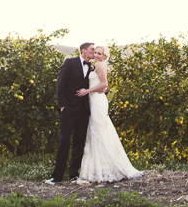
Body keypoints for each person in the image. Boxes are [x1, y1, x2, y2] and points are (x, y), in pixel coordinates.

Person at [76, 45, 143, 182]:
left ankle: (105, 169)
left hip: (97, 102)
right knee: (96, 131)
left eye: (99, 53)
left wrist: (86, 91)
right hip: (94, 101)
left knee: (98, 132)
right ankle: (98, 168)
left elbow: (104, 83)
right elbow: (104, 85)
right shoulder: (96, 66)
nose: (96, 55)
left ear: (105, 56)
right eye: (95, 52)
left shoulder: (100, 65)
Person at [45, 42, 95, 185]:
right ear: (83, 51)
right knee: (64, 141)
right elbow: (60, 84)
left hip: (84, 111)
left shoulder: (93, 67)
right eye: (92, 49)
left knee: (79, 143)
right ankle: (57, 177)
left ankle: (74, 175)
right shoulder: (69, 63)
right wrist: (62, 106)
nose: (94, 52)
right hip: (69, 109)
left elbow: (98, 84)